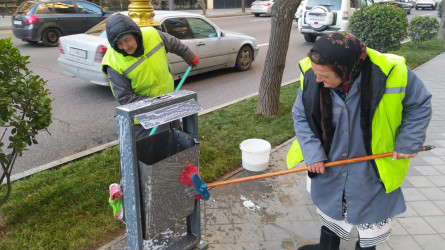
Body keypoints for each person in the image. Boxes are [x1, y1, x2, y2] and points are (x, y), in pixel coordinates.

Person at [288, 32, 432, 250]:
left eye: (324, 76)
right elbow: (301, 115)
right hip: (330, 164)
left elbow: (419, 105)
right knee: (330, 212)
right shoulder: (312, 73)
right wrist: (312, 153)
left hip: (372, 170)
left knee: (369, 225)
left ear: (346, 70)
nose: (318, 80)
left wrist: (408, 140)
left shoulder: (392, 72)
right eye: (316, 74)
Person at [102, 13, 199, 139]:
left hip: (169, 103)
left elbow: (174, 43)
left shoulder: (152, 35)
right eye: (119, 43)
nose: (125, 47)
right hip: (144, 118)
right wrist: (156, 104)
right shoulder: (113, 63)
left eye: (127, 40)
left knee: (176, 138)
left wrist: (189, 56)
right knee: (154, 148)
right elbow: (125, 98)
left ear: (135, 35)